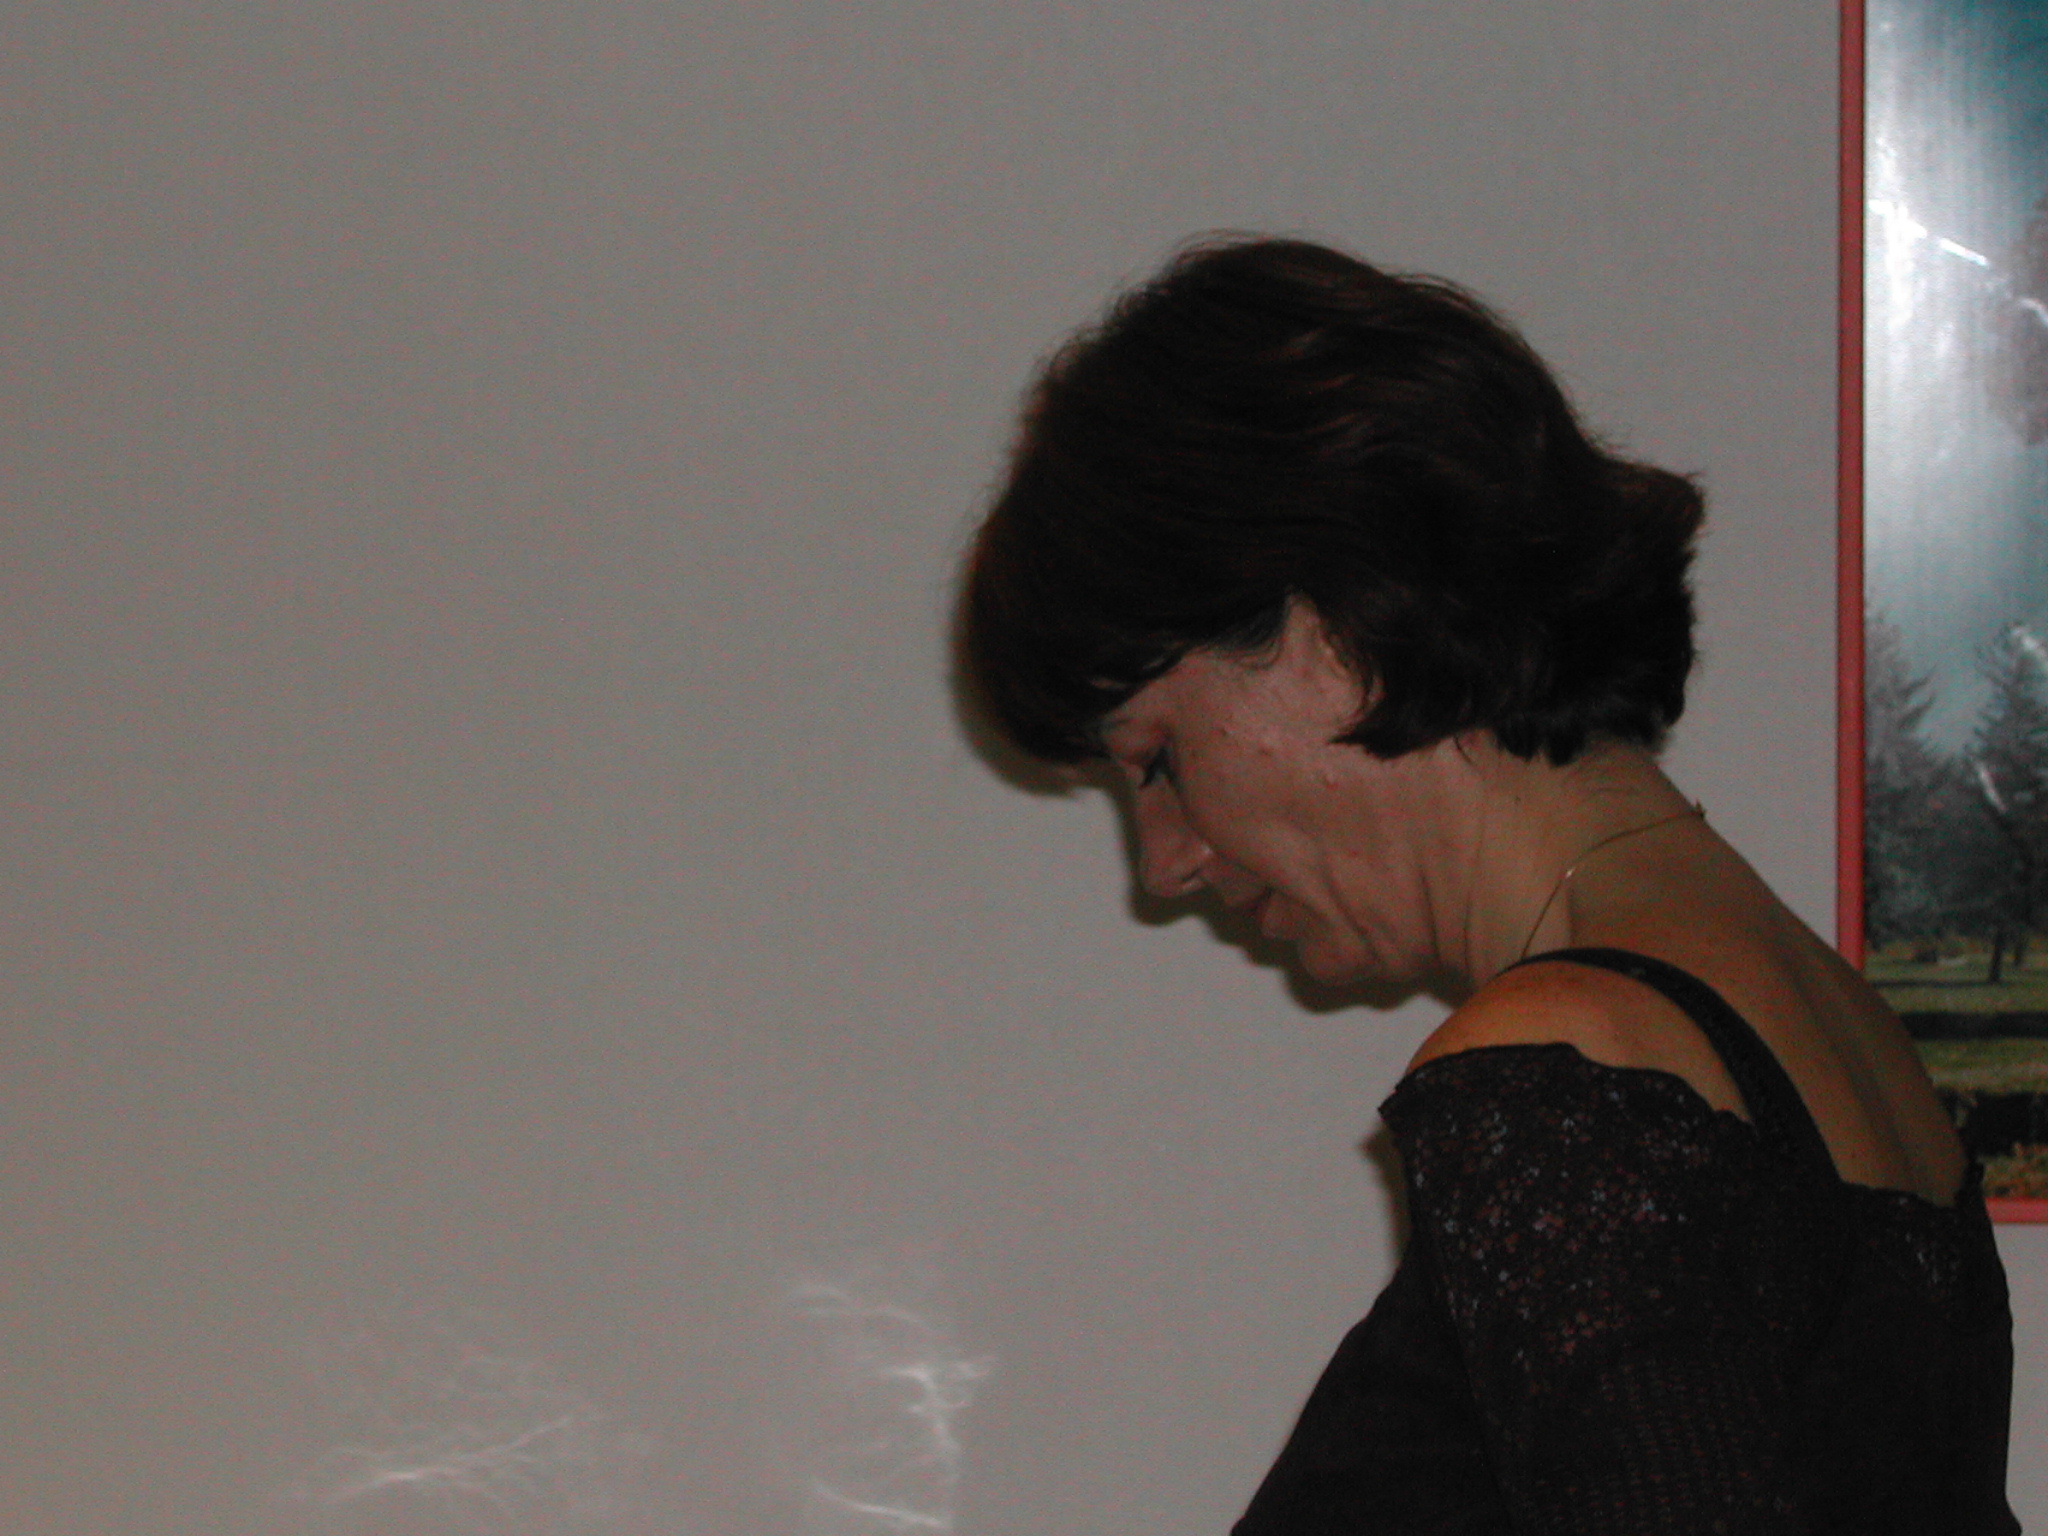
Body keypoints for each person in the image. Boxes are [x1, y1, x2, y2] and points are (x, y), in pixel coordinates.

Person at [961, 238, 2017, 1533]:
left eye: (1160, 759)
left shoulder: (1568, 1078)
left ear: (1323, 621)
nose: (1167, 861)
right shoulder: (1838, 1040)